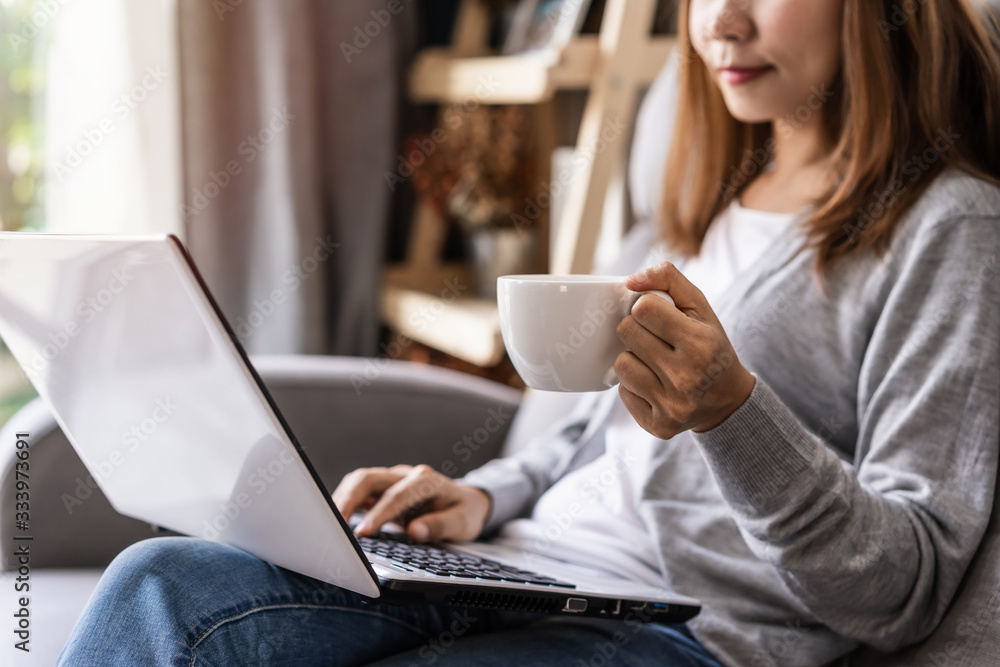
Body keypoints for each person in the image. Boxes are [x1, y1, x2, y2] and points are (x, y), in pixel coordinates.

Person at [58, 1, 1000, 665]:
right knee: (161, 582)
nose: (720, 21)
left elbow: (902, 585)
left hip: (691, 634)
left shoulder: (947, 228)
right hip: (526, 566)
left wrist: (733, 413)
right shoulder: (697, 204)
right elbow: (601, 447)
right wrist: (480, 497)